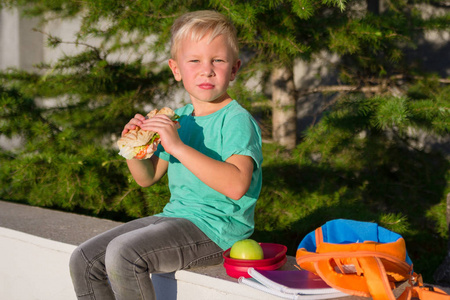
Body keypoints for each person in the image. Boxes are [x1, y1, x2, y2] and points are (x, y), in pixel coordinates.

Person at [69, 10, 263, 300]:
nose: (206, 69)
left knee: (124, 254)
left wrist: (178, 147)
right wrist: (133, 148)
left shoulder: (236, 120)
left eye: (217, 60)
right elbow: (147, 178)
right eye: (194, 60)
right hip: (175, 218)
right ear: (176, 69)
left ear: (234, 69)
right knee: (84, 260)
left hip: (218, 232)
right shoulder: (179, 119)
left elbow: (236, 186)